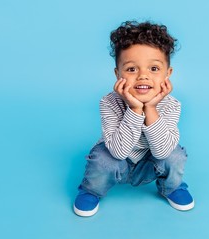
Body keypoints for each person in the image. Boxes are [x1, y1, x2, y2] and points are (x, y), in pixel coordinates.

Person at [73, 21, 194, 217]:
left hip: (151, 162)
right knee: (102, 159)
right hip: (118, 161)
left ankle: (172, 188)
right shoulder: (109, 102)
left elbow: (162, 152)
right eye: (131, 69)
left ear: (167, 74)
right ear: (117, 74)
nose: (143, 76)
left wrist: (151, 108)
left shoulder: (172, 105)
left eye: (154, 69)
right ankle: (90, 190)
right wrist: (136, 108)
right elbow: (118, 152)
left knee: (175, 155)